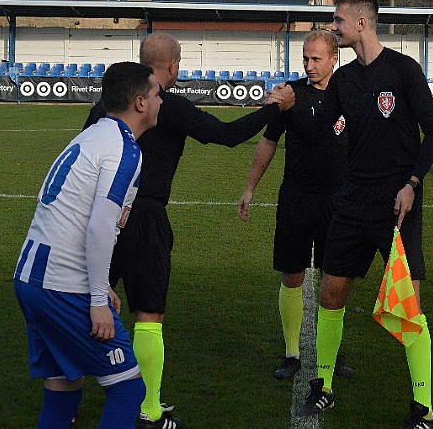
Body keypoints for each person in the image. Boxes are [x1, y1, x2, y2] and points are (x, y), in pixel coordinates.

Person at [83, 32, 294, 429]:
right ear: (173, 66)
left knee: (89, 304)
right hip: (144, 217)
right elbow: (228, 135)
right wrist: (272, 108)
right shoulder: (170, 106)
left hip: (100, 217)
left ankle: (69, 397)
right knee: (148, 314)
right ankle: (149, 410)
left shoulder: (104, 108)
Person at [272, 0, 433, 429]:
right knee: (331, 294)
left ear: (362, 23)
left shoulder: (405, 71)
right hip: (352, 203)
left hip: (398, 206)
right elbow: (315, 126)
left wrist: (411, 183)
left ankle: (423, 409)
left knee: (409, 307)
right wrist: (286, 106)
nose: (334, 26)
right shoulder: (345, 80)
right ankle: (323, 386)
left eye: (338, 20)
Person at [14, 62, 162, 428]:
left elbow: (71, 216)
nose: (162, 100)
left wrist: (102, 285)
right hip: (61, 285)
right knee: (128, 391)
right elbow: (99, 227)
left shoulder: (93, 135)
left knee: (64, 386)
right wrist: (96, 298)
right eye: (157, 93)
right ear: (141, 103)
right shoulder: (124, 150)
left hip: (31, 278)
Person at [236, 30, 353, 380]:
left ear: (334, 59)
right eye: (305, 58)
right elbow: (268, 143)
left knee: (337, 279)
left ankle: (332, 351)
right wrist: (250, 188)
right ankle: (292, 353)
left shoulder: (347, 94)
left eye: (316, 58)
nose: (309, 65)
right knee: (293, 274)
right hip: (297, 198)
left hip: (338, 200)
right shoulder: (291, 93)